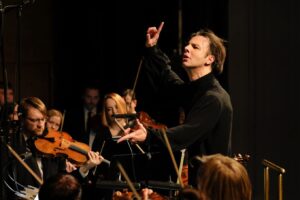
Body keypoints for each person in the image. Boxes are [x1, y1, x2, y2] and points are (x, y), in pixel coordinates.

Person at [118, 22, 233, 186]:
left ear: (210, 59)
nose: (187, 48)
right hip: (199, 182)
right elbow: (167, 77)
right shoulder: (193, 91)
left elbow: (186, 133)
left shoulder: (214, 98)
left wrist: (149, 136)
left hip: (214, 187)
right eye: (188, 44)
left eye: (195, 47)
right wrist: (152, 48)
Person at [7, 97, 102, 199]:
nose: (40, 125)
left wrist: (85, 167)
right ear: (22, 119)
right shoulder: (12, 146)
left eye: (43, 119)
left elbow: (63, 184)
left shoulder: (52, 146)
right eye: (34, 120)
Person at [64, 81, 101, 147]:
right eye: (89, 97)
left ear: (99, 98)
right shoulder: (72, 114)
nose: (92, 101)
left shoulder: (102, 114)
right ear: (83, 96)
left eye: (95, 97)